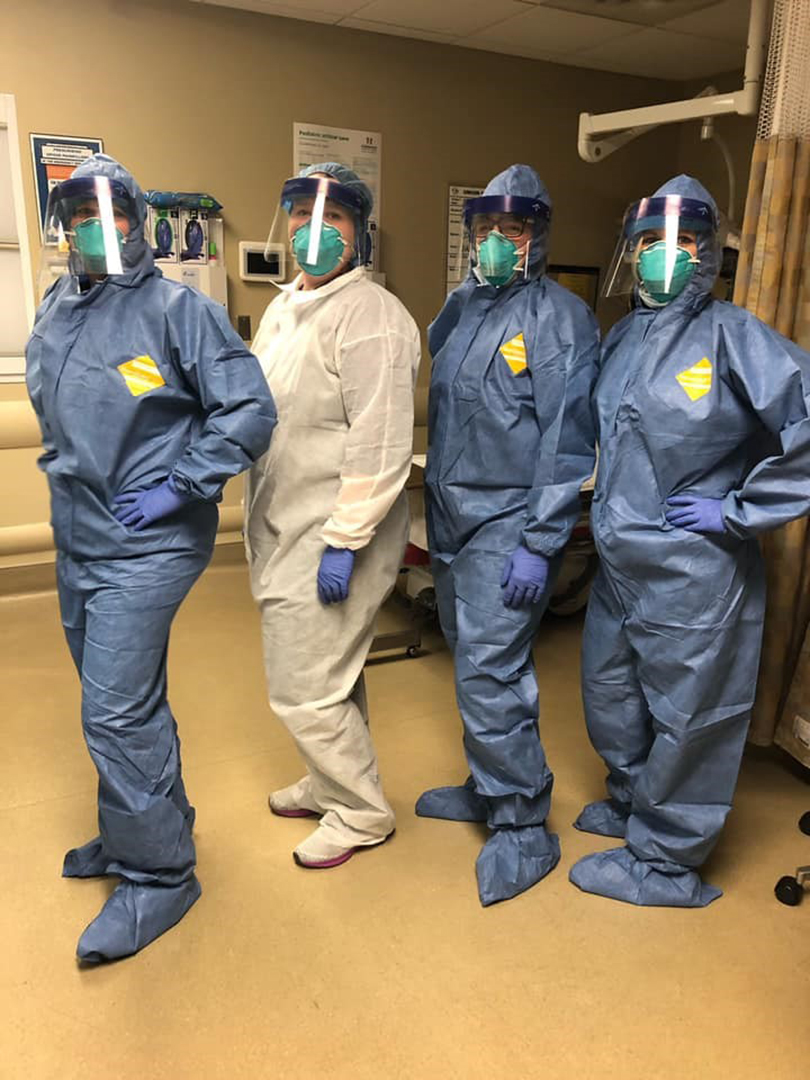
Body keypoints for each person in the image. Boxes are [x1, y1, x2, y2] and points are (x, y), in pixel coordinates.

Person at [25, 154, 276, 962]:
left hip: (151, 538)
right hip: (81, 534)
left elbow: (248, 409)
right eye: (80, 214)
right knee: (126, 699)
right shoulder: (57, 303)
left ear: (139, 221)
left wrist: (184, 483)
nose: (96, 228)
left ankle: (160, 875)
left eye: (113, 213)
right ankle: (141, 823)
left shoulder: (177, 310)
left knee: (114, 708)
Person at [570, 174, 810, 907]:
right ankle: (635, 799)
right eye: (644, 243)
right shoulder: (622, 337)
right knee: (610, 691)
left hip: (693, 569)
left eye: (673, 244)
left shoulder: (735, 337)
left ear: (705, 254)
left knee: (689, 713)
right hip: (619, 559)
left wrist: (740, 508)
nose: (655, 257)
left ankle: (668, 860)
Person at [416, 164, 600, 906]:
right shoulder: (466, 306)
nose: (494, 241)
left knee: (492, 668)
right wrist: (465, 297)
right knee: (467, 659)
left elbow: (566, 439)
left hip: (509, 519)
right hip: (451, 512)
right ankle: (489, 783)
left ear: (538, 236)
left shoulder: (559, 317)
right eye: (483, 229)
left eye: (512, 228)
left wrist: (541, 538)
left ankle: (523, 819)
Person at [245, 162, 420, 870]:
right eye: (300, 215)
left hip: (333, 533)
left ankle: (360, 812)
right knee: (329, 674)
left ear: (361, 233)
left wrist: (344, 541)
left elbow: (380, 445)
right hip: (286, 521)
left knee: (304, 683)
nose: (313, 231)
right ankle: (330, 783)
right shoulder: (288, 307)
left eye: (335, 218)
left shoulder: (372, 317)